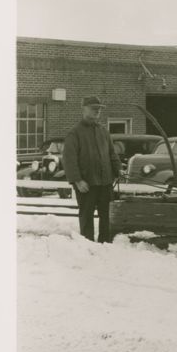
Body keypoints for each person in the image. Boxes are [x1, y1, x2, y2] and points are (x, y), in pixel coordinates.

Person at [63, 96, 121, 242]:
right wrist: (77, 180)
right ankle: (87, 245)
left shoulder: (103, 131)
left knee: (106, 216)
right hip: (86, 185)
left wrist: (118, 170)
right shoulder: (74, 133)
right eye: (93, 108)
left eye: (99, 109)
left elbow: (112, 154)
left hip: (105, 182)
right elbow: (69, 160)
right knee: (86, 216)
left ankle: (105, 244)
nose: (97, 111)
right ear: (83, 109)